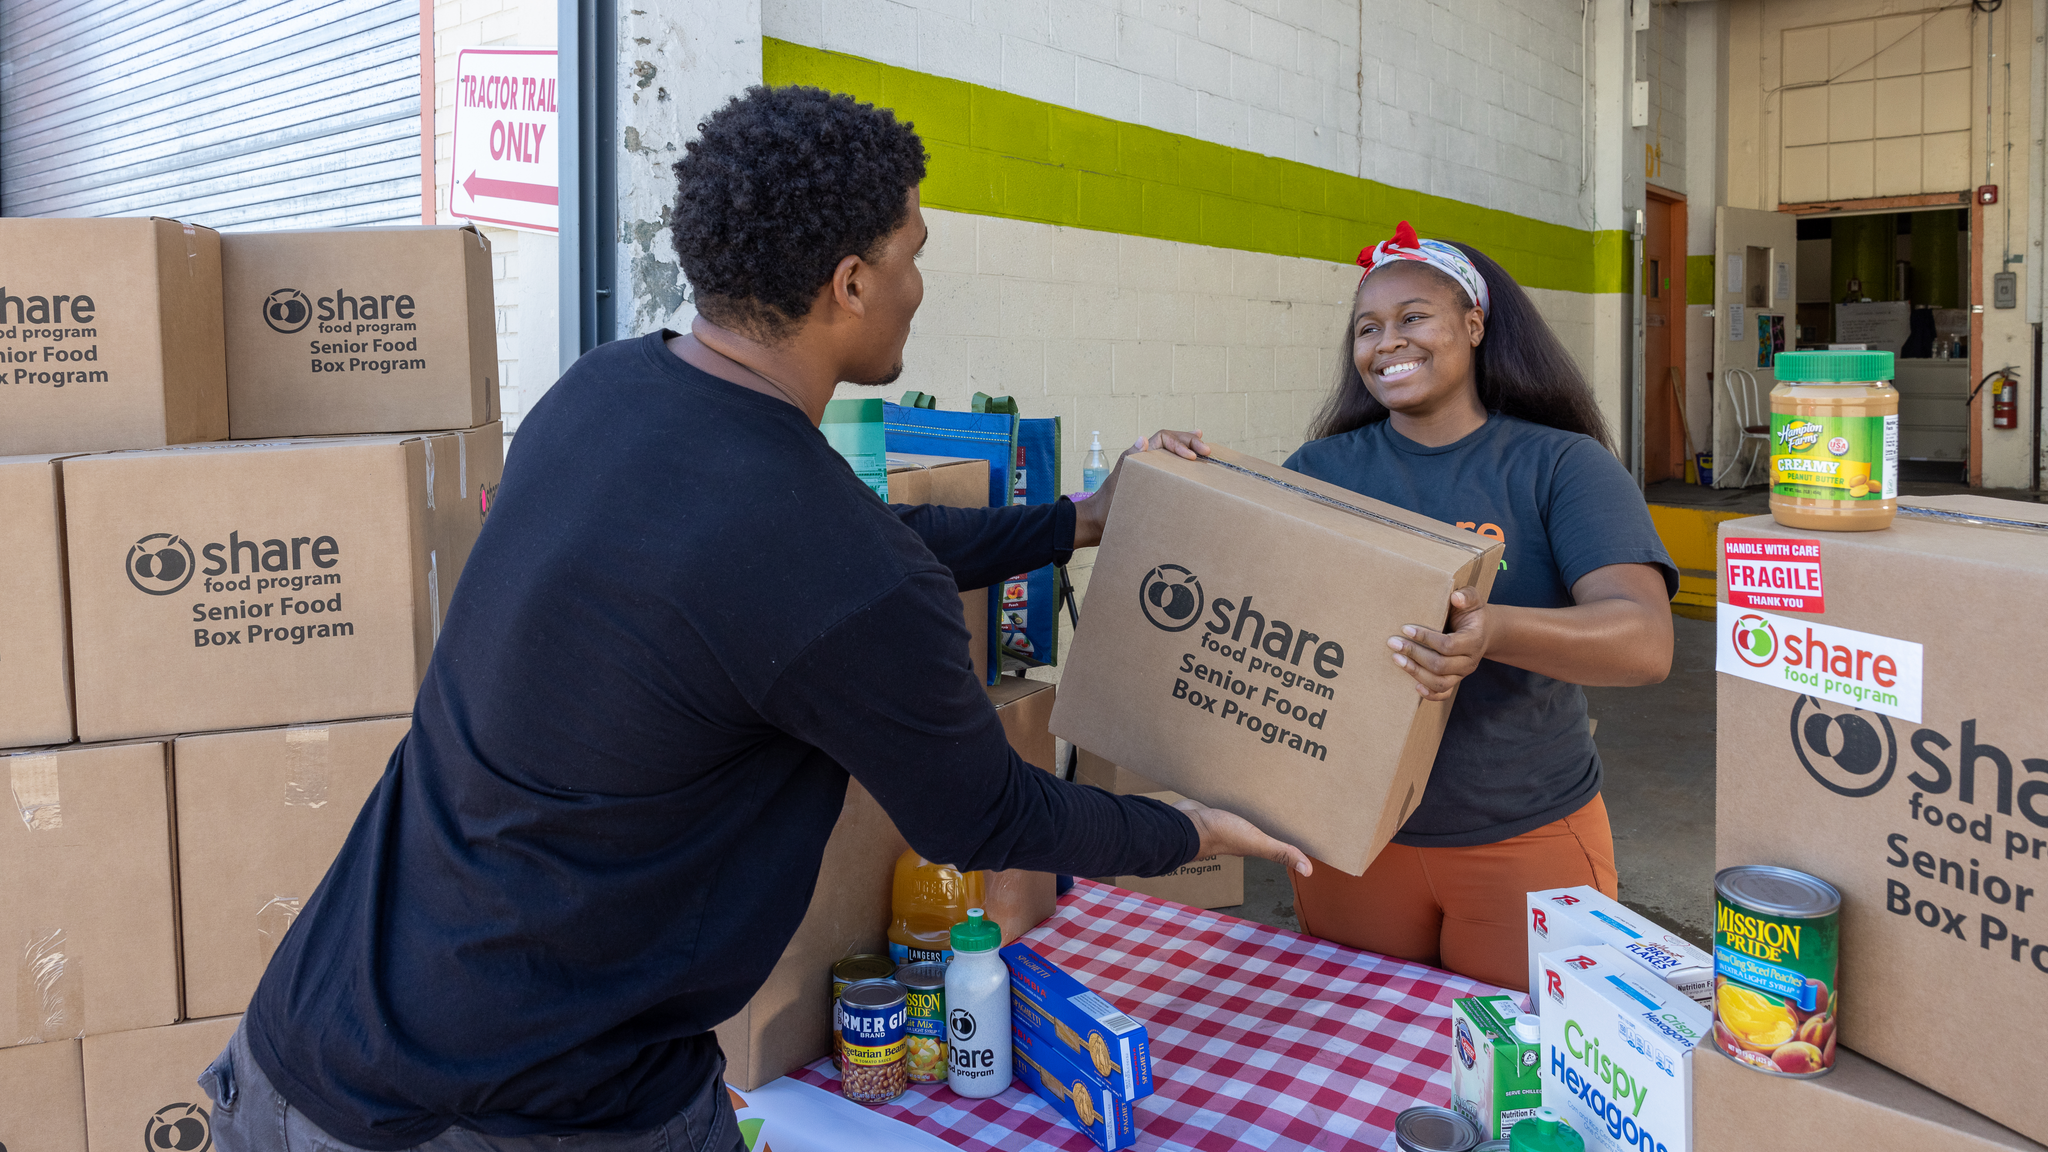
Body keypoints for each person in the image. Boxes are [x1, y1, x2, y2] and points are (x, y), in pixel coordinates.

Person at [199, 86, 1309, 1152]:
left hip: (303, 1047)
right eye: (912, 252)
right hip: (528, 1112)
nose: (922, 281)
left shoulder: (604, 393)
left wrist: (1075, 521)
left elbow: (829, 564)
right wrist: (1192, 824)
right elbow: (988, 817)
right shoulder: (828, 560)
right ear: (850, 283)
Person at [1282, 222, 1675, 991]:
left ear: (1474, 324)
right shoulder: (1321, 471)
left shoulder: (1561, 464)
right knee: (1362, 1062)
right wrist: (1180, 478)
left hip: (1524, 830)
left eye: (1413, 317)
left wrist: (1491, 631)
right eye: (1368, 328)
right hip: (1354, 834)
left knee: (1533, 1073)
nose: (1386, 341)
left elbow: (1644, 642)